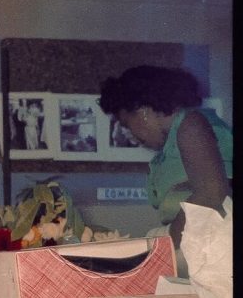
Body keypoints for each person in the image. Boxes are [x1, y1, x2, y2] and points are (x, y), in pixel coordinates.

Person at [99, 65, 232, 249]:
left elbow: (211, 195)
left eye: (126, 124)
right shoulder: (173, 143)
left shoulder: (192, 125)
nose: (131, 134)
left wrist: (160, 241)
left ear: (142, 111)